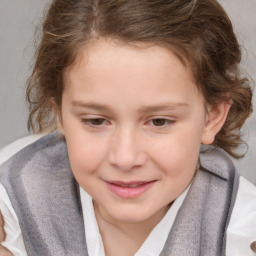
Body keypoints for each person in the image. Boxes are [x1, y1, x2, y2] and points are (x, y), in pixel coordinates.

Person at [0, 0, 256, 255]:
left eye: (159, 121)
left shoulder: (241, 231)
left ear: (211, 117)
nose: (125, 158)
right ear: (60, 116)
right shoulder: (13, 195)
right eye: (96, 121)